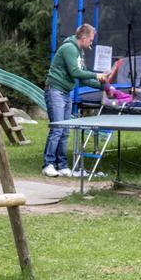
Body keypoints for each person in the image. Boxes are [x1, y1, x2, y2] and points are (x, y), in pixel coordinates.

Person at [43, 23, 109, 177]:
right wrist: (96, 75)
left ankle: (62, 165)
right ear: (84, 37)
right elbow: (75, 72)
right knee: (57, 129)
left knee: (65, 131)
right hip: (55, 91)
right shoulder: (69, 48)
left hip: (65, 92)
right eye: (91, 39)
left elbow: (83, 77)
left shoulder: (79, 52)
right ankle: (48, 165)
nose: (92, 42)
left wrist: (103, 86)